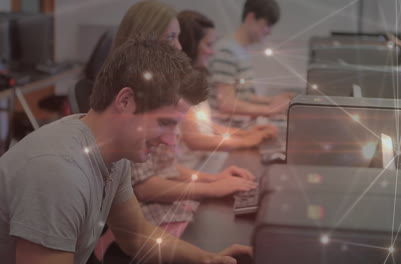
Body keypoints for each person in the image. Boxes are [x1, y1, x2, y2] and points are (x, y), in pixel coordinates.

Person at [0, 35, 250, 263]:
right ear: (125, 101)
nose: (171, 141)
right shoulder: (58, 172)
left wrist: (208, 259)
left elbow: (136, 235)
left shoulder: (113, 154)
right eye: (164, 123)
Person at [111, 1, 257, 234]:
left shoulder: (158, 89)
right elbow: (144, 187)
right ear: (145, 39)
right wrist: (213, 188)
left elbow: (165, 167)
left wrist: (213, 179)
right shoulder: (131, 97)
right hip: (140, 218)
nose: (179, 47)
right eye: (171, 38)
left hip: (160, 202)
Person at [177, 10, 278, 154]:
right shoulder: (180, 85)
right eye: (208, 44)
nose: (212, 52)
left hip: (204, 158)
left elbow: (205, 125)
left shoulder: (194, 78)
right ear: (191, 45)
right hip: (194, 164)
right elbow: (195, 139)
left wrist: (245, 133)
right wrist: (245, 141)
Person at [208, 0, 292, 117]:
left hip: (241, 130)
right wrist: (270, 109)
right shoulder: (226, 52)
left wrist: (270, 100)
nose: (269, 31)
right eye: (267, 25)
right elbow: (227, 103)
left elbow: (241, 95)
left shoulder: (240, 49)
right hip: (228, 132)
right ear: (251, 17)